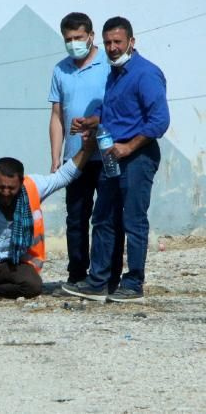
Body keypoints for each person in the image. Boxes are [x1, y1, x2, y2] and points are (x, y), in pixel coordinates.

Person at [62, 16, 170, 303]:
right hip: (112, 156)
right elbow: (118, 116)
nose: (111, 47)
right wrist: (93, 122)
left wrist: (129, 146)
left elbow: (159, 121)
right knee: (104, 218)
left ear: (131, 42)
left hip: (137, 158)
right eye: (108, 42)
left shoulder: (146, 74)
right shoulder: (114, 74)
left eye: (117, 42)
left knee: (133, 220)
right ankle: (99, 282)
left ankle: (133, 283)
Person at [0, 142, 94, 299]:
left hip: (13, 261)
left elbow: (63, 176)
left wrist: (87, 148)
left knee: (33, 286)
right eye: (0, 187)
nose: (6, 192)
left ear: (21, 183)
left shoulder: (34, 187)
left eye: (11, 188)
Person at [48, 12, 124, 291]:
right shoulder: (60, 70)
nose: (73, 44)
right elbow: (57, 115)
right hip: (75, 158)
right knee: (76, 217)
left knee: (107, 218)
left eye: (78, 38)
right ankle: (77, 273)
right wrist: (56, 157)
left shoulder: (109, 64)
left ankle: (108, 276)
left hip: (106, 153)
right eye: (68, 39)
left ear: (91, 36)